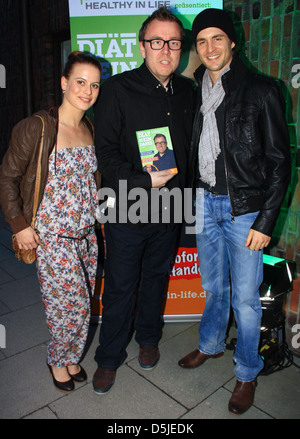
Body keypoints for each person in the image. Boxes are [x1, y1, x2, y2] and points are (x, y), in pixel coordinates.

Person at [178, 8, 291, 415]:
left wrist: (265, 221)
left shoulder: (262, 90)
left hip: (245, 209)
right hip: (205, 203)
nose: (209, 48)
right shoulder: (195, 89)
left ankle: (246, 371)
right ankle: (209, 345)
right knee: (213, 286)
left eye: (217, 39)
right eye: (202, 41)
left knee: (244, 299)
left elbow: (281, 164)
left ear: (232, 43)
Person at [93, 7, 193, 394]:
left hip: (172, 209)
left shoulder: (187, 90)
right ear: (142, 46)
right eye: (156, 42)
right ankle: (109, 357)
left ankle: (148, 339)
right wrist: (142, 180)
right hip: (129, 206)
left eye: (173, 43)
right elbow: (106, 155)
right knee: (120, 285)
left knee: (156, 279)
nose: (165, 50)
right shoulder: (117, 90)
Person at [0, 52, 102, 393]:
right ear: (63, 83)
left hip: (87, 234)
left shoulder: (89, 127)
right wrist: (18, 225)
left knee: (84, 300)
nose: (87, 91)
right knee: (69, 305)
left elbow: (92, 183)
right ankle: (58, 359)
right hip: (54, 237)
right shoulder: (38, 127)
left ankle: (73, 355)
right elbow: (7, 177)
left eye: (94, 85)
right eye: (80, 82)